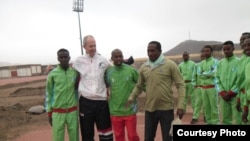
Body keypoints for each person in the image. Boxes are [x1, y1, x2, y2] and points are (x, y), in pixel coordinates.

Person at [127, 41, 185, 141]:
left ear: (160, 51)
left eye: (153, 51)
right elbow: (139, 85)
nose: (150, 53)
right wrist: (132, 97)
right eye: (148, 51)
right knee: (148, 138)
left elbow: (180, 85)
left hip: (166, 109)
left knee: (168, 138)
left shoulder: (170, 65)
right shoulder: (144, 67)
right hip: (150, 109)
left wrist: (181, 105)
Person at [72, 35, 113, 141]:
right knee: (87, 132)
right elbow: (68, 71)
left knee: (105, 132)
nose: (93, 48)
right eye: (90, 46)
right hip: (86, 101)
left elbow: (114, 69)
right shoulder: (79, 61)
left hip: (101, 101)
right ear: (84, 46)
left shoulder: (103, 59)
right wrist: (51, 70)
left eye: (94, 45)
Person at [105, 49, 140, 141]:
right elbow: (104, 86)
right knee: (119, 137)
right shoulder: (109, 72)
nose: (119, 58)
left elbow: (141, 84)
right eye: (116, 57)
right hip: (115, 111)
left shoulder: (131, 70)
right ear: (112, 58)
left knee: (132, 136)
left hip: (130, 110)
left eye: (120, 56)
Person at [45, 48, 79, 141]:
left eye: (65, 57)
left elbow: (78, 90)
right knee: (57, 138)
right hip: (57, 112)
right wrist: (49, 113)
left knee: (75, 137)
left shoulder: (75, 73)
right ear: (58, 59)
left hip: (72, 112)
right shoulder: (52, 74)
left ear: (69, 58)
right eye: (61, 57)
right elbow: (48, 94)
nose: (63, 59)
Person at [215, 41, 241, 124]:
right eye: (224, 49)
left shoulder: (239, 62)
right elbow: (216, 79)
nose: (226, 51)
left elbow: (240, 80)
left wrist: (231, 92)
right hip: (223, 96)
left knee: (238, 118)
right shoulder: (220, 63)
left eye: (228, 49)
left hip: (235, 95)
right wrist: (222, 92)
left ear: (233, 49)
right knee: (225, 119)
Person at [199, 45, 220, 124]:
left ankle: (215, 124)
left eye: (207, 51)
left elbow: (213, 73)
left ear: (211, 52)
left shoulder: (215, 62)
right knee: (206, 108)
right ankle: (209, 123)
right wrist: (207, 74)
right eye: (204, 51)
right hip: (203, 88)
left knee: (214, 107)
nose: (206, 53)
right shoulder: (201, 63)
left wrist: (203, 73)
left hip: (212, 88)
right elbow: (199, 74)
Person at [236, 32, 250, 122]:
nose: (242, 43)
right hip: (244, 96)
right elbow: (239, 81)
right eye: (241, 41)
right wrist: (238, 98)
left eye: (245, 40)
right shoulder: (241, 60)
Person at [190, 50, 206, 124]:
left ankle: (206, 116)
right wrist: (194, 84)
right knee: (197, 103)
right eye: (202, 56)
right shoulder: (197, 65)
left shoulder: (209, 65)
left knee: (206, 103)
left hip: (207, 87)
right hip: (199, 87)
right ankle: (195, 117)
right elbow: (193, 76)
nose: (203, 57)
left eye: (204, 56)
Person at [241, 38, 250, 123]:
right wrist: (246, 108)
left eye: (249, 45)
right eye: (245, 46)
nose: (246, 48)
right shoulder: (248, 64)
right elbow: (247, 86)